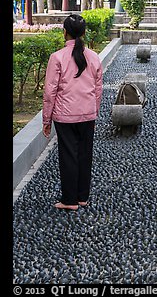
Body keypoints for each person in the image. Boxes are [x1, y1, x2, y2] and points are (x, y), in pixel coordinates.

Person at [42, 14, 103, 210]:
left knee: (68, 155)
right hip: (87, 114)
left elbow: (50, 91)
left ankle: (69, 200)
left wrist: (46, 119)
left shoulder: (57, 57)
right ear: (84, 33)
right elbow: (98, 89)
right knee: (85, 154)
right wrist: (94, 112)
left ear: (65, 33)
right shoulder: (93, 57)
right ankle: (82, 197)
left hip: (65, 115)